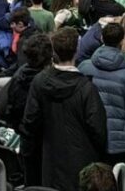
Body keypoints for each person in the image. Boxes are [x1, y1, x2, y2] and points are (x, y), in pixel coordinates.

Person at [25, 27, 110, 191]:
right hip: (81, 164)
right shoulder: (86, 88)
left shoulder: (39, 82)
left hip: (50, 162)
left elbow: (30, 122)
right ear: (76, 52)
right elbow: (98, 130)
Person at [78, 21, 125, 176]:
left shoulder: (83, 67)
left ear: (102, 38)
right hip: (122, 144)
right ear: (122, 41)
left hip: (90, 140)